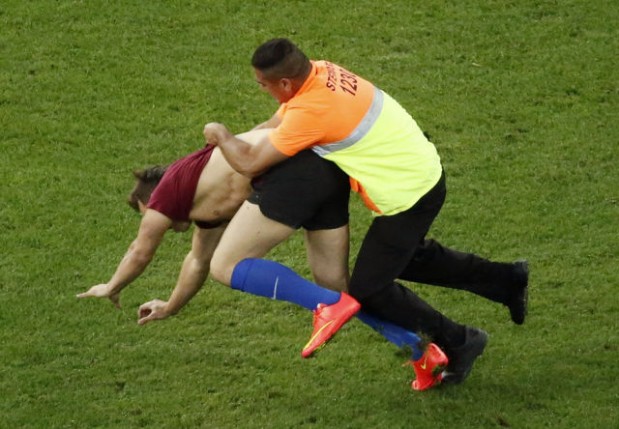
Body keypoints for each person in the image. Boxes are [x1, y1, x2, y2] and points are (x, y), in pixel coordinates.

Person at [203, 38, 529, 385]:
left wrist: (221, 135)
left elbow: (251, 163)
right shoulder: (320, 71)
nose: (261, 90)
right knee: (408, 258)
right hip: (421, 174)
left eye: (262, 85)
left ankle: (461, 341)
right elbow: (272, 127)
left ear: (284, 83)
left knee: (369, 289)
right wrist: (239, 140)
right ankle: (506, 280)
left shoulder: (314, 110)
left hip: (408, 197)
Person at [76, 128, 449, 390]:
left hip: (297, 175)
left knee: (231, 266)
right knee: (337, 289)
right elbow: (196, 262)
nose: (150, 219)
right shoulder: (202, 205)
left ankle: (326, 307)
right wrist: (170, 307)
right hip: (324, 177)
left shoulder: (167, 191)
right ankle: (421, 351)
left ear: (150, 199)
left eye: (146, 212)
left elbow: (141, 249)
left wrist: (112, 285)